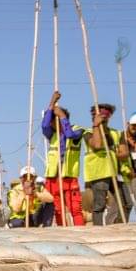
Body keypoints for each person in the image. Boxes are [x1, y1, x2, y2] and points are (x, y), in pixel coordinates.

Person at [40, 91, 84, 226]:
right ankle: (62, 231)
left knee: (75, 209)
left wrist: (62, 116)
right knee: (58, 210)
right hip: (53, 178)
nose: (51, 124)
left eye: (54, 120)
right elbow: (44, 125)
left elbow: (70, 134)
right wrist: (52, 102)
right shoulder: (52, 135)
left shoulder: (77, 129)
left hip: (68, 177)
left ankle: (81, 232)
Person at [83, 104, 130, 225]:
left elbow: (124, 153)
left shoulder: (117, 133)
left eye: (104, 116)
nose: (101, 118)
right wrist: (96, 126)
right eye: (96, 115)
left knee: (127, 203)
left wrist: (116, 153)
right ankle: (98, 228)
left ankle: (118, 225)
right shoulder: (88, 132)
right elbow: (97, 145)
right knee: (100, 204)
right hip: (99, 173)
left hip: (115, 172)